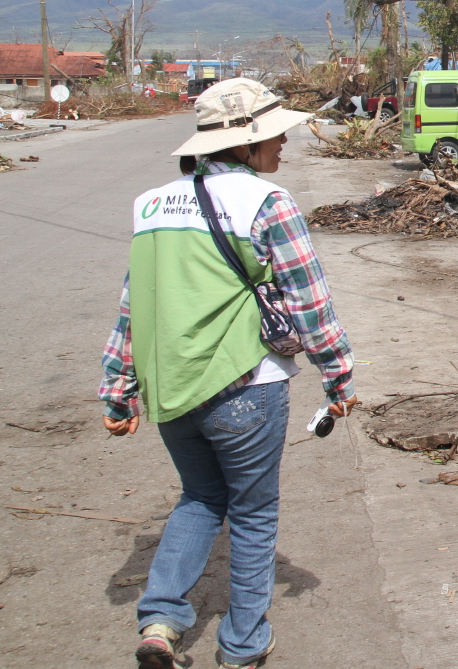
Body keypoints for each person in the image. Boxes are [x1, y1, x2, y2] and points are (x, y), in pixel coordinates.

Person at [99, 77, 357, 669]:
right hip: (246, 386)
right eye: (274, 135)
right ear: (243, 144)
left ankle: (159, 623)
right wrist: (339, 377)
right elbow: (310, 302)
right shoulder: (268, 202)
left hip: (172, 389)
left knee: (199, 498)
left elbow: (133, 304)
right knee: (253, 513)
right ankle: (242, 645)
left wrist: (118, 389)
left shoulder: (152, 204)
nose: (283, 143)